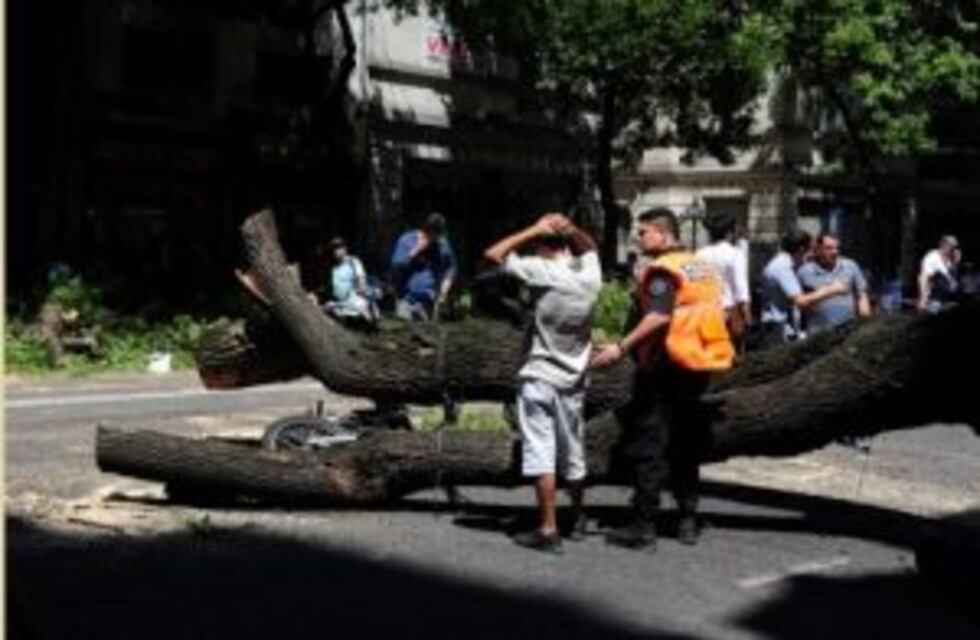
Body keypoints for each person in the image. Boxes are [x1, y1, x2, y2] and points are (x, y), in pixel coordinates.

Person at [591, 208, 734, 551]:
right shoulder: (701, 266)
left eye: (643, 232)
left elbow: (657, 316)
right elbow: (724, 310)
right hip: (698, 364)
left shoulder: (662, 270)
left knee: (650, 445)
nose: (638, 238)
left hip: (665, 366)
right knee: (686, 442)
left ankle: (644, 525)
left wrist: (621, 347)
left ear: (663, 233)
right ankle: (687, 519)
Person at [484, 213, 602, 554]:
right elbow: (590, 247)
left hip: (539, 375)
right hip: (575, 376)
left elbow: (494, 254)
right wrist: (572, 229)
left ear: (542, 247)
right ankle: (578, 517)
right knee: (573, 451)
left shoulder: (542, 270)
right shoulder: (591, 274)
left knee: (542, 454)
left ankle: (549, 528)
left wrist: (534, 227)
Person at [759, 230, 848, 345]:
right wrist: (832, 289)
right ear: (801, 249)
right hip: (777, 328)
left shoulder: (787, 264)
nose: (813, 254)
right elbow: (801, 301)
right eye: (811, 249)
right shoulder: (782, 267)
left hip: (783, 328)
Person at [796, 233, 871, 332]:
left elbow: (862, 294)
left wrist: (865, 323)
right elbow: (798, 303)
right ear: (818, 250)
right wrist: (829, 291)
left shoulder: (850, 266)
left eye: (837, 248)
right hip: (819, 332)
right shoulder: (805, 272)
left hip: (849, 329)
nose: (835, 251)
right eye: (829, 248)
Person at [696, 211, 751, 343]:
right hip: (728, 313)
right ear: (729, 232)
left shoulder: (699, 253)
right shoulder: (735, 254)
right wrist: (747, 316)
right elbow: (741, 290)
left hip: (705, 312)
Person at [390, 213, 457, 320]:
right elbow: (396, 267)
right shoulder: (407, 240)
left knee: (428, 327)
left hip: (430, 301)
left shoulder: (442, 244)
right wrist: (416, 251)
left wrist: (445, 286)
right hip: (407, 299)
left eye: (440, 235)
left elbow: (451, 267)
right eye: (436, 235)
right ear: (427, 231)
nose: (438, 239)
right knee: (405, 323)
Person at [323, 237, 378, 324]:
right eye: (334, 249)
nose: (337, 251)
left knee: (360, 308)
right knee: (328, 308)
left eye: (340, 247)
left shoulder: (353, 262)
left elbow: (361, 279)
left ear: (345, 248)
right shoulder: (333, 268)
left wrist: (361, 289)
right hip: (340, 302)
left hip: (355, 298)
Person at [918, 235, 960, 313]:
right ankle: (932, 304)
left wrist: (955, 262)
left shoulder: (950, 259)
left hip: (949, 293)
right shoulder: (932, 257)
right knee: (939, 277)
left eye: (955, 248)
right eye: (952, 247)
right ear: (944, 246)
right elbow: (923, 277)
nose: (954, 250)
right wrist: (923, 297)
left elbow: (953, 278)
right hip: (935, 292)